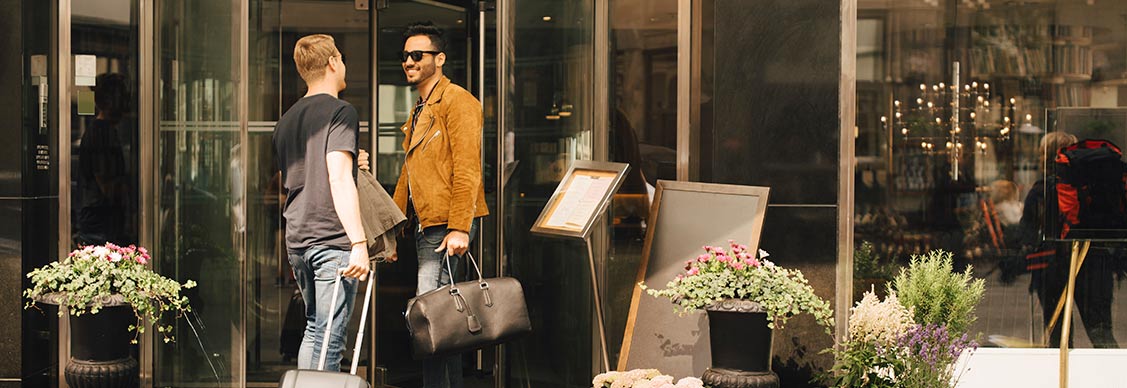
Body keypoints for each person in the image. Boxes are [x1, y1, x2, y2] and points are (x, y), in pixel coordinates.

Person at [392, 21, 489, 388]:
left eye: (418, 55)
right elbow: (410, 171)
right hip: (428, 225)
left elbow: (468, 169)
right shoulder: (422, 106)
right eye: (405, 56)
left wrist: (460, 226)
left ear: (440, 58)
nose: (409, 62)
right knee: (441, 318)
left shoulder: (458, 102)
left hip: (448, 225)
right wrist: (393, 227)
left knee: (429, 315)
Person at [273, 34, 371, 372]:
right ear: (332, 63)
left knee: (315, 329)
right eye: (341, 59)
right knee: (330, 338)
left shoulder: (286, 120)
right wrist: (359, 242)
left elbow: (306, 172)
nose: (343, 65)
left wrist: (353, 161)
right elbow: (337, 178)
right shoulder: (341, 112)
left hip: (298, 238)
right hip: (331, 239)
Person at [1018, 131, 1118, 348]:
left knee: (1057, 337)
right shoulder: (1095, 189)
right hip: (1095, 266)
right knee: (1101, 333)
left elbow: (1026, 232)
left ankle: (1062, 380)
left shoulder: (1041, 189)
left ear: (1045, 156)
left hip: (1052, 268)